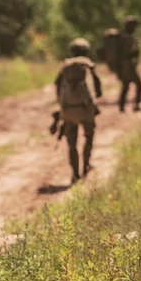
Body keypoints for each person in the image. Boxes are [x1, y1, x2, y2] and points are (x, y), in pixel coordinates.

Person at [53, 38, 102, 184]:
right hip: (85, 108)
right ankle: (85, 166)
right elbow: (97, 87)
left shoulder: (65, 65)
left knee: (72, 142)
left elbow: (57, 83)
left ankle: (75, 173)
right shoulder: (87, 64)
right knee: (88, 136)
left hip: (68, 109)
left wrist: (62, 103)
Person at [118, 16, 141, 112]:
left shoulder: (124, 36)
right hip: (127, 64)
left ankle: (121, 106)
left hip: (126, 65)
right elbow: (126, 52)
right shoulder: (126, 37)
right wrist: (134, 53)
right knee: (139, 85)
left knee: (126, 85)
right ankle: (136, 105)